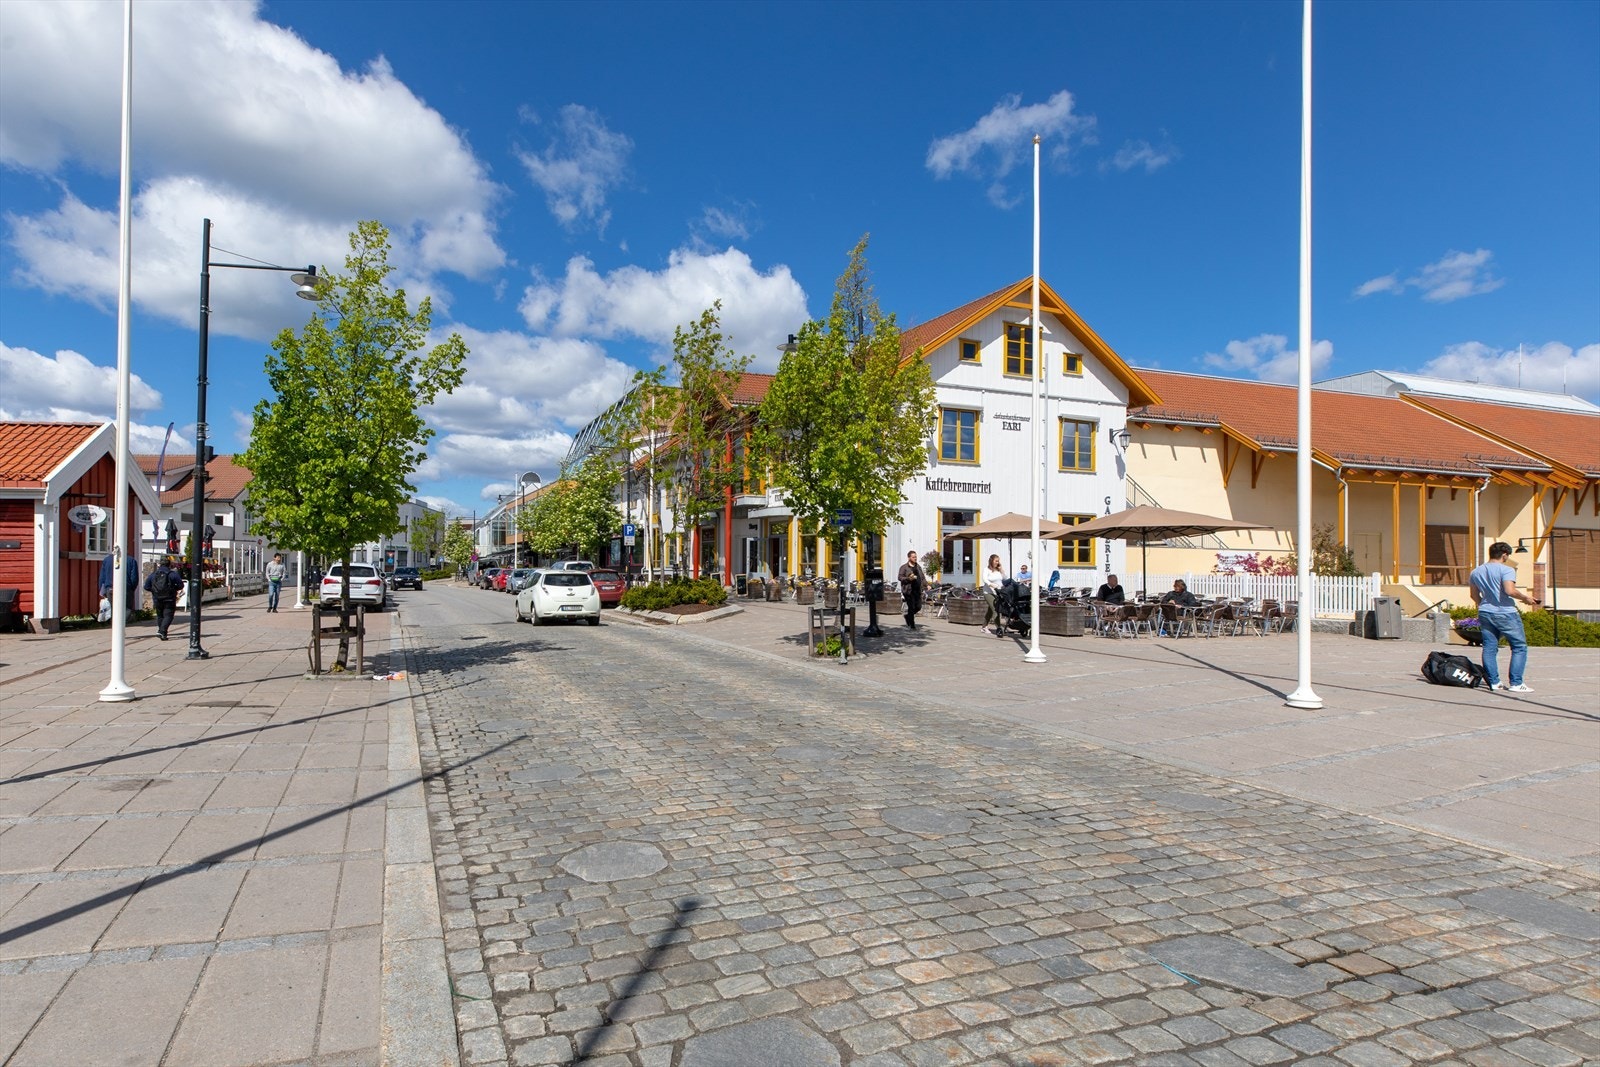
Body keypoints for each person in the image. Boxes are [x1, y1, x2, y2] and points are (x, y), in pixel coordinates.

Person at [1469, 541, 1540, 694]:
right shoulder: (1507, 570)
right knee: (1519, 647)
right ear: (1504, 555)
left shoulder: (1476, 572)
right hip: (1506, 612)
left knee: (1489, 647)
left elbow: (1473, 595)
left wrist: (1484, 605)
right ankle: (1516, 682)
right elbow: (1509, 590)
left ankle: (1494, 682)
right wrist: (1525, 598)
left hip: (1485, 612)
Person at [144, 555, 183, 641]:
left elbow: (146, 586)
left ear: (159, 565)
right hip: (169, 598)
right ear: (169, 564)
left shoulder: (153, 575)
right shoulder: (172, 574)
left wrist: (154, 591)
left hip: (157, 598)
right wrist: (173, 589)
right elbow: (181, 585)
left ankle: (162, 633)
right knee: (168, 615)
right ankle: (162, 631)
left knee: (160, 615)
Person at [898, 550, 927, 629]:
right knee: (911, 607)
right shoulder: (904, 567)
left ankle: (908, 616)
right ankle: (912, 624)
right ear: (909, 558)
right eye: (913, 557)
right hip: (908, 590)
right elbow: (900, 577)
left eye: (916, 557)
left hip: (917, 590)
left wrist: (926, 585)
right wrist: (908, 578)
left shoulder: (918, 567)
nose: (915, 558)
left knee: (918, 607)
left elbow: (922, 577)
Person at [981, 554, 1005, 634]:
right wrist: (991, 584)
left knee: (990, 610)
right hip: (988, 592)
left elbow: (1005, 578)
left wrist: (1001, 570)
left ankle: (984, 627)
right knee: (995, 609)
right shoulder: (986, 569)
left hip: (997, 592)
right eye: (996, 561)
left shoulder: (998, 570)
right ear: (992, 561)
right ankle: (999, 628)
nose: (997, 562)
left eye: (998, 561)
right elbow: (985, 579)